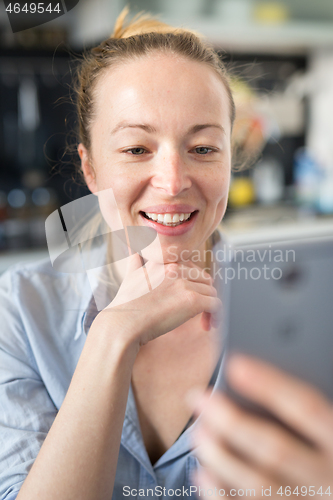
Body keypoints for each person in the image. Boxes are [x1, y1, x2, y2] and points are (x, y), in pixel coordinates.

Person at [0, 7, 332, 500]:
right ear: (91, 172)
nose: (173, 183)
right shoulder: (20, 309)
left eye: (202, 149)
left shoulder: (312, 311)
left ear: (230, 161)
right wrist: (112, 335)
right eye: (137, 149)